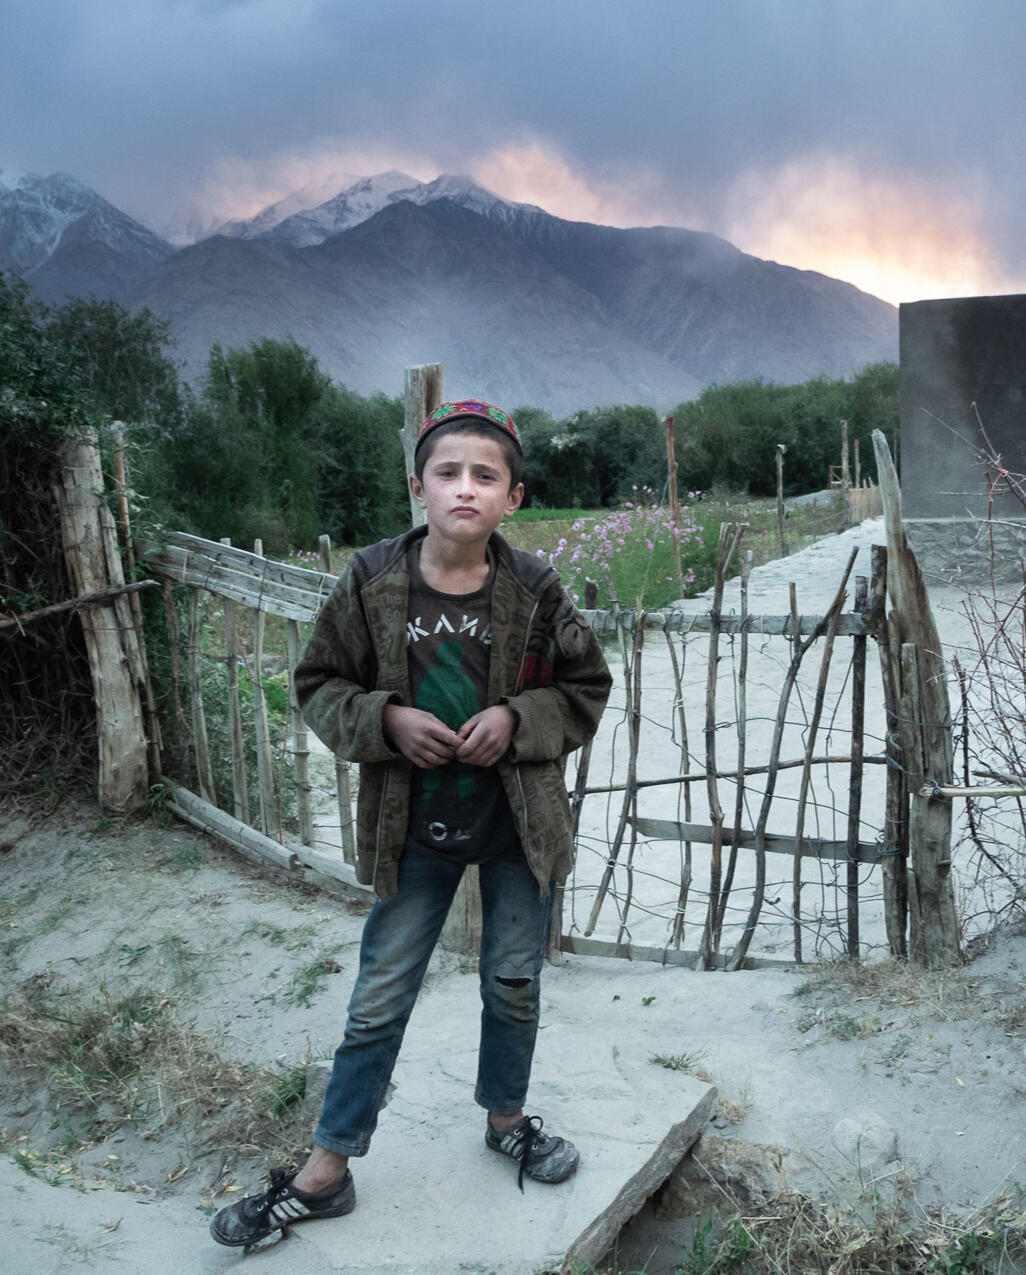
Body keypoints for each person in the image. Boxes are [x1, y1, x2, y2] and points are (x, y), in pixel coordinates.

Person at [210, 399, 612, 1247]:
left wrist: (517, 716)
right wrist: (386, 718)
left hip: (518, 828)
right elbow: (319, 682)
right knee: (379, 994)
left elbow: (585, 688)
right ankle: (327, 1169)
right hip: (412, 829)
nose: (465, 487)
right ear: (417, 486)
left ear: (513, 496)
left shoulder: (536, 589)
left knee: (513, 980)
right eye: (447, 471)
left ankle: (506, 1120)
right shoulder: (371, 580)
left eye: (485, 475)